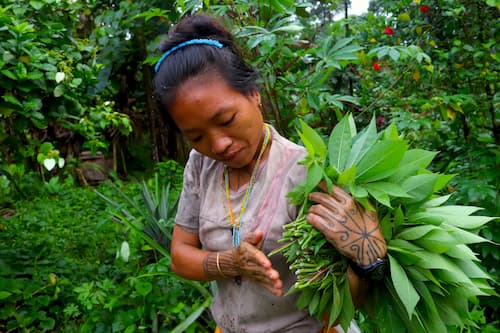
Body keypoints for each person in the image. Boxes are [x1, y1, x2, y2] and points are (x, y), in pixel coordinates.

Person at [152, 14, 387, 333]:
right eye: (196, 136)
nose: (218, 144)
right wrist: (232, 263)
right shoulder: (201, 165)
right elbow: (180, 258)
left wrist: (366, 259)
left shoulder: (305, 171)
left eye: (226, 120)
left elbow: (340, 305)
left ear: (254, 94)